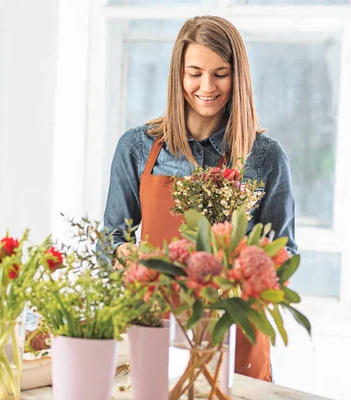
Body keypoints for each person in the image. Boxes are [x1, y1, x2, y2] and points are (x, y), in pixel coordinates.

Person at [102, 15, 296, 382]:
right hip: (151, 329)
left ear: (237, 76)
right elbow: (111, 238)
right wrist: (124, 255)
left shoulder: (266, 157)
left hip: (235, 336)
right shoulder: (137, 147)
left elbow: (285, 256)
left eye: (220, 73)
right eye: (195, 72)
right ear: (179, 74)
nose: (207, 86)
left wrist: (245, 272)